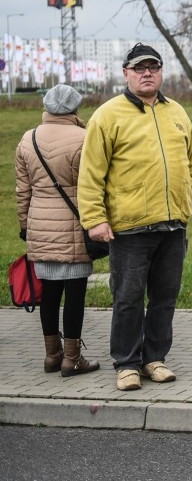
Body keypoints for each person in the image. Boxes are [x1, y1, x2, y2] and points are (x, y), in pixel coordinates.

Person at [78, 43, 192, 392]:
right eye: (139, 68)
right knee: (128, 297)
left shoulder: (178, 113)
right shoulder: (107, 116)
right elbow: (91, 175)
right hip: (129, 227)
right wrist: (95, 218)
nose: (147, 72)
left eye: (153, 66)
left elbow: (191, 163)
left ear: (161, 72)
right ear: (126, 74)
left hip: (173, 225)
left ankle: (155, 359)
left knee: (165, 297)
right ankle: (126, 363)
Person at [15, 84, 100, 378]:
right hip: (74, 226)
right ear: (75, 109)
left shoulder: (29, 139)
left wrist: (25, 225)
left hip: (40, 225)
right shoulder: (85, 138)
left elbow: (22, 190)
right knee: (75, 294)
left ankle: (52, 354)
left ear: (46, 107)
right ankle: (72, 358)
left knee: (49, 293)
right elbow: (93, 185)